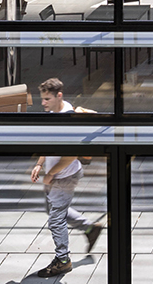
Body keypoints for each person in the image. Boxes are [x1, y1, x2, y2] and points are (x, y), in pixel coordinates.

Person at [29, 77, 102, 277]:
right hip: (55, 175)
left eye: (46, 99)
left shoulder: (68, 118)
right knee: (53, 209)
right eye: (42, 98)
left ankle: (63, 260)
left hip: (65, 176)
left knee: (55, 218)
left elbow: (70, 155)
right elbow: (47, 142)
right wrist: (40, 164)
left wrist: (51, 174)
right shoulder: (54, 114)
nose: (43, 103)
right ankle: (89, 228)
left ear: (58, 96)